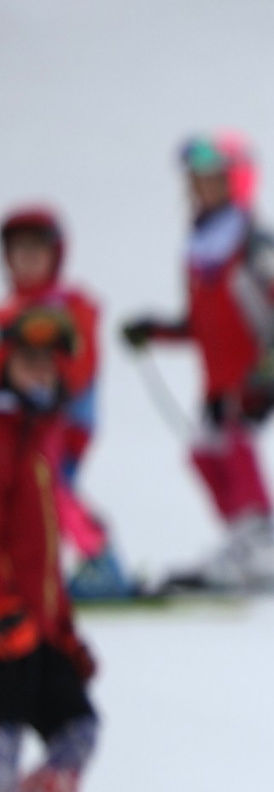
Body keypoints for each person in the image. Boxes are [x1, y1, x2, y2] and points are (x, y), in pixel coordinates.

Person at [0, 303, 140, 792]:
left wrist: (62, 631)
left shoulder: (38, 441)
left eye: (48, 364)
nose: (40, 374)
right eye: (27, 362)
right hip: (4, 628)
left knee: (77, 727)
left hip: (30, 631)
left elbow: (42, 553)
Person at [120, 133, 274, 590]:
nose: (201, 191)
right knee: (204, 451)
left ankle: (263, 548)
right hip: (218, 377)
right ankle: (243, 540)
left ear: (235, 183)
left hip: (256, 369)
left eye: (211, 181)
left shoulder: (255, 242)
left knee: (233, 444)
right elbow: (201, 323)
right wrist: (155, 331)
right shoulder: (202, 246)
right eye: (195, 182)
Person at [0, 206, 132, 598]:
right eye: (18, 253)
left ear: (54, 257)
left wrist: (54, 390)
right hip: (17, 423)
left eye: (35, 253)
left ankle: (101, 564)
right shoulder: (10, 311)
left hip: (61, 422)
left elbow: (80, 360)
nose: (26, 262)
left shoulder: (69, 305)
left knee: (52, 489)